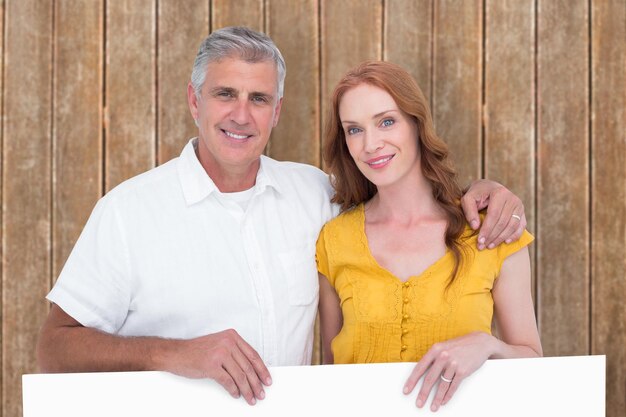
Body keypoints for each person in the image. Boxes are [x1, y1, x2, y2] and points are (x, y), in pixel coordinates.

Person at [37, 27, 527, 406]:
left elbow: (396, 192)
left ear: (277, 112)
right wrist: (175, 353)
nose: (241, 115)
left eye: (259, 99)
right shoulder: (129, 212)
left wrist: (487, 194)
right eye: (225, 94)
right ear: (194, 100)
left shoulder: (313, 194)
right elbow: (53, 351)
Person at [316, 61, 542, 412]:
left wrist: (487, 345)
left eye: (386, 121)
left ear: (416, 124)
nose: (371, 144)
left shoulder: (492, 230)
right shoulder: (334, 239)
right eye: (354, 130)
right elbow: (330, 376)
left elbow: (534, 364)